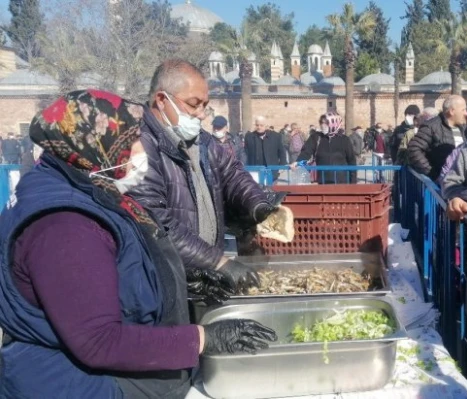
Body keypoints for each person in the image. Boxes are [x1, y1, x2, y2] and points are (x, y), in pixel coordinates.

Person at [0, 90, 277, 398]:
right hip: (80, 385)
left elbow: (117, 272)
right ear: (96, 145)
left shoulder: (89, 186)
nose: (140, 148)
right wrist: (203, 339)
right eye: (131, 139)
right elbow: (99, 341)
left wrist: (186, 282)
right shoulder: (64, 227)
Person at [125, 59, 277, 284]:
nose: (201, 114)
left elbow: (233, 173)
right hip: (168, 281)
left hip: (204, 277)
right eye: (193, 104)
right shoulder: (140, 146)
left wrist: (258, 204)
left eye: (204, 105)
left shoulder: (202, 141)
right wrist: (218, 262)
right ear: (161, 100)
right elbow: (154, 222)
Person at [407, 94, 467, 181]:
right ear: (452, 111)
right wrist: (432, 173)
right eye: (463, 110)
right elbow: (413, 148)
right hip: (440, 185)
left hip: (459, 182)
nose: (466, 113)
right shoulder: (431, 126)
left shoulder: (463, 128)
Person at [293, 112, 357, 184]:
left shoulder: (344, 140)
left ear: (334, 123)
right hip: (323, 180)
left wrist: (353, 182)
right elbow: (306, 152)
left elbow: (351, 161)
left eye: (326, 123)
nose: (323, 126)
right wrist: (298, 162)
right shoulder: (316, 137)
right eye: (321, 123)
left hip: (341, 181)